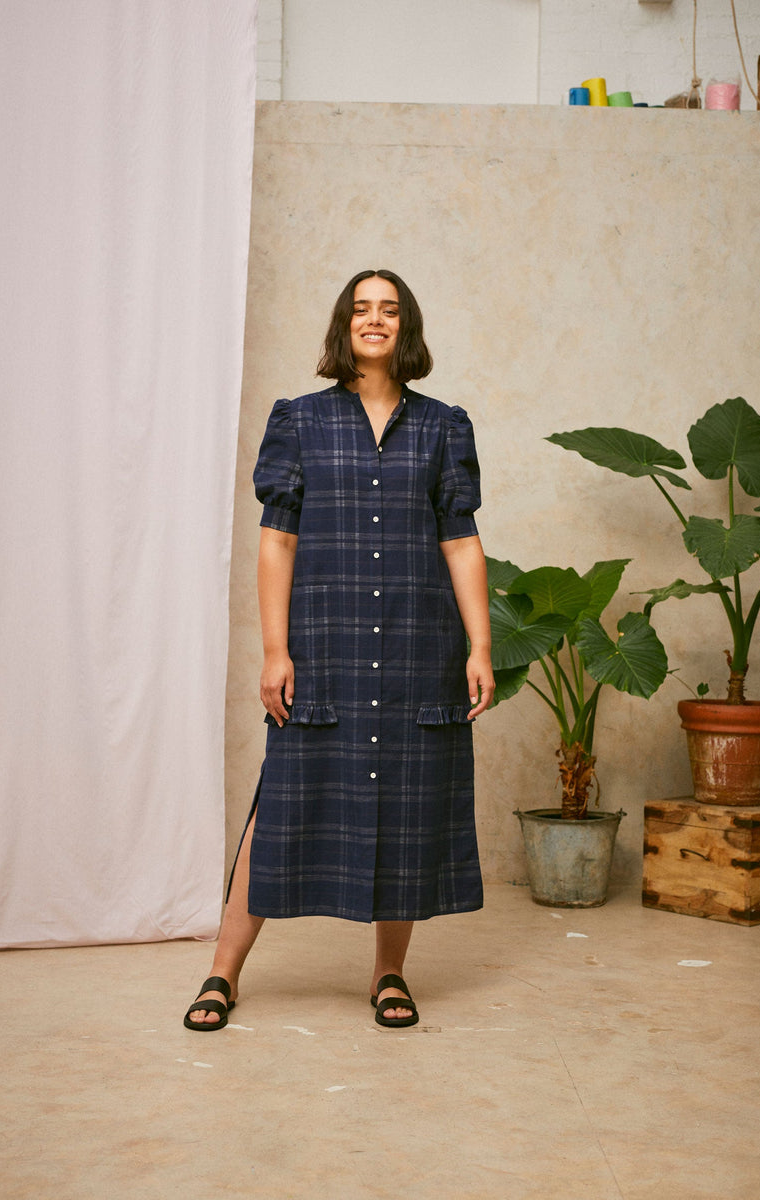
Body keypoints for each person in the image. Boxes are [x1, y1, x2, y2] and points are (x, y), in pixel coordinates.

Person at [184, 269, 494, 1031]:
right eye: (362, 310)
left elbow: (461, 541)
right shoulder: (299, 420)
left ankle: (389, 974)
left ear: (406, 327)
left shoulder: (444, 426)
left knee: (408, 807)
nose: (375, 320)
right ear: (343, 327)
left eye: (389, 310)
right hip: (326, 648)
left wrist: (480, 645)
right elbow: (277, 540)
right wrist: (275, 650)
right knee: (281, 804)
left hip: (421, 649)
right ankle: (221, 973)